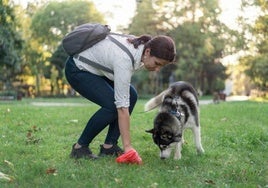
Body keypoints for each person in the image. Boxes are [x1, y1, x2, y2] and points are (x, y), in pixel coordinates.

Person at [64, 32, 176, 164]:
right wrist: (128, 147)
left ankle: (109, 146)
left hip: (97, 70)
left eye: (161, 66)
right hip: (78, 69)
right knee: (112, 105)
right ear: (148, 51)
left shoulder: (139, 48)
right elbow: (122, 108)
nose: (157, 69)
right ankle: (79, 148)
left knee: (132, 95)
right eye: (157, 63)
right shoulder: (124, 59)